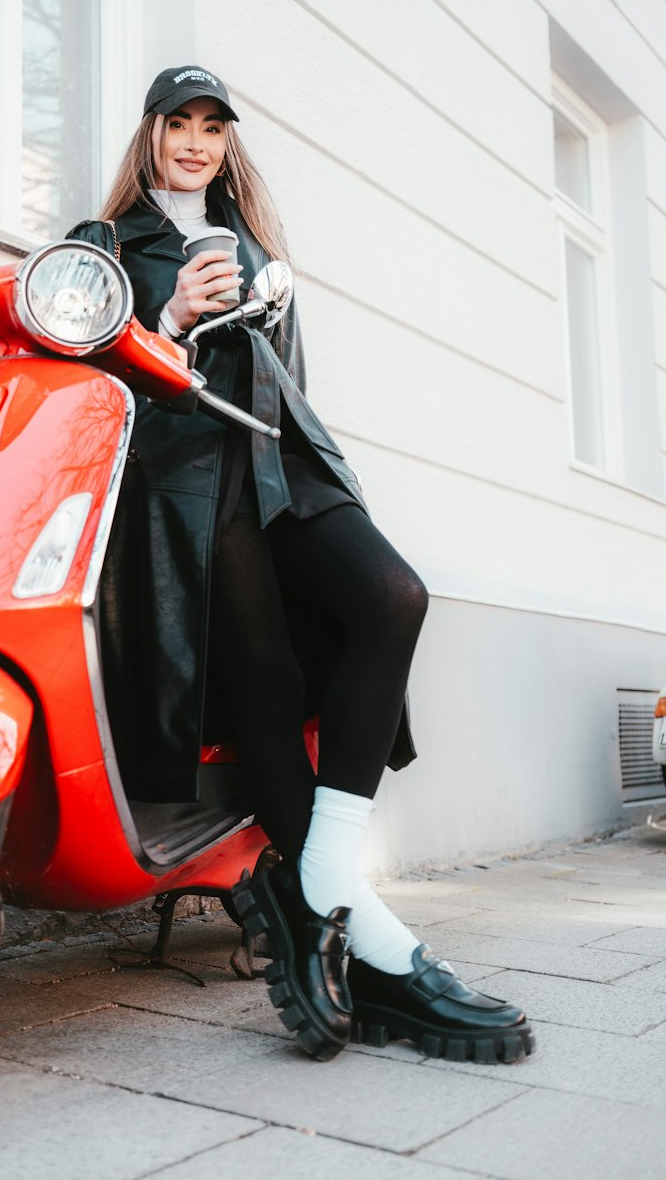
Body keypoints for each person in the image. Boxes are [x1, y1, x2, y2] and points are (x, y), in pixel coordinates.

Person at [67, 65, 534, 1064]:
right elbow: (81, 387)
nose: (194, 142)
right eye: (177, 123)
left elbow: (290, 377)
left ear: (228, 142)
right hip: (188, 485)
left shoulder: (257, 246)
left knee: (391, 594)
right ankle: (368, 939)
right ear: (148, 134)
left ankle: (316, 879)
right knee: (266, 685)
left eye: (211, 127)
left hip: (278, 461)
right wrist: (174, 319)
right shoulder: (105, 245)